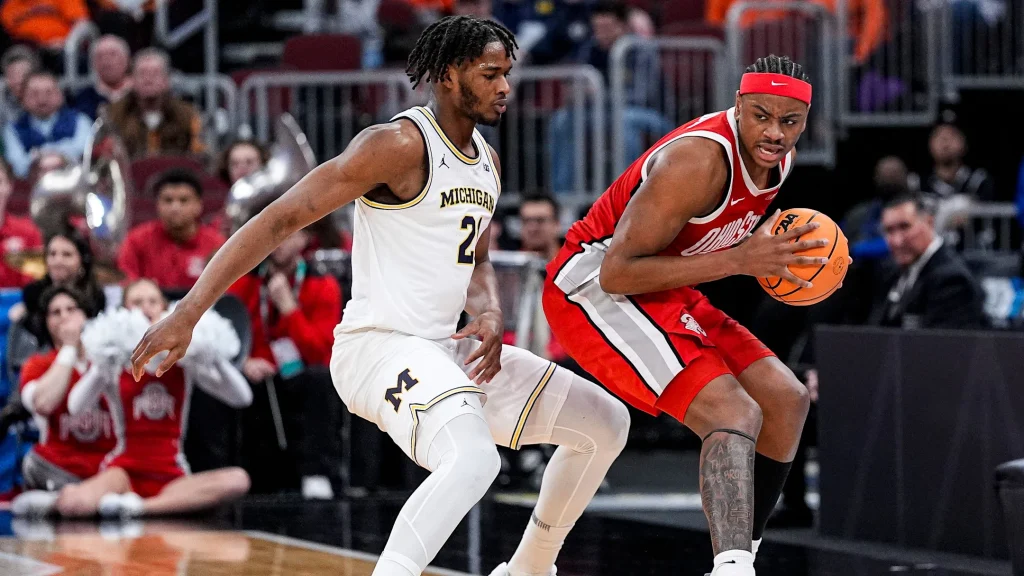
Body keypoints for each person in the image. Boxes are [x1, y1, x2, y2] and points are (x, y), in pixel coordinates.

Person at [130, 16, 630, 576]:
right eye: (490, 74)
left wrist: (488, 308)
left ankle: (529, 569)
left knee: (606, 423)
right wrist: (188, 312)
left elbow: (478, 260)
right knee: (471, 461)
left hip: (448, 348)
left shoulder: (486, 159)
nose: (505, 87)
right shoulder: (395, 145)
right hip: (380, 346)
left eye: (506, 74)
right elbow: (277, 219)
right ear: (448, 75)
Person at [542, 55, 822, 576]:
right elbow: (618, 273)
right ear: (738, 107)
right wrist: (741, 260)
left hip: (668, 286)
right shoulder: (696, 161)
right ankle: (732, 569)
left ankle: (742, 557)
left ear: (805, 120)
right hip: (591, 287)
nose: (775, 133)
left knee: (786, 400)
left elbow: (701, 252)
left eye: (790, 121)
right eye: (761, 115)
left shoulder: (780, 160)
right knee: (733, 413)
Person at [14, 279, 252, 518]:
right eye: (137, 302)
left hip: (171, 473)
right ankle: (63, 502)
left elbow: (242, 397)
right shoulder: (115, 360)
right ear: (124, 311)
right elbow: (76, 407)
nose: (146, 308)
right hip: (124, 472)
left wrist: (209, 353)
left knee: (238, 480)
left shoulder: (182, 360)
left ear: (165, 308)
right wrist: (102, 363)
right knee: (74, 505)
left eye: (152, 301)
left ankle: (139, 508)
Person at [15, 286, 116, 500]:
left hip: (109, 469)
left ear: (87, 316)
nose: (65, 317)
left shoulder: (110, 360)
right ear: (46, 322)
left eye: (71, 309)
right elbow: (44, 403)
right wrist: (69, 347)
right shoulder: (36, 365)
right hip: (59, 469)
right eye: (56, 312)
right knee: (33, 462)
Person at [867, 192, 984, 329]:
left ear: (929, 222)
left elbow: (941, 345)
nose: (897, 241)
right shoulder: (890, 272)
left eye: (905, 227)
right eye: (889, 231)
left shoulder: (953, 281)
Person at [117, 168, 225, 289]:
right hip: (148, 305)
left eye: (184, 200)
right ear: (157, 205)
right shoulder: (136, 240)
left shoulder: (216, 244)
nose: (175, 207)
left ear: (199, 205)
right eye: (168, 200)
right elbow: (126, 283)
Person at [18, 228, 107, 340]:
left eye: (67, 255)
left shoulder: (96, 296)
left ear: (82, 261)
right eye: (52, 254)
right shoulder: (33, 294)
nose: (58, 261)